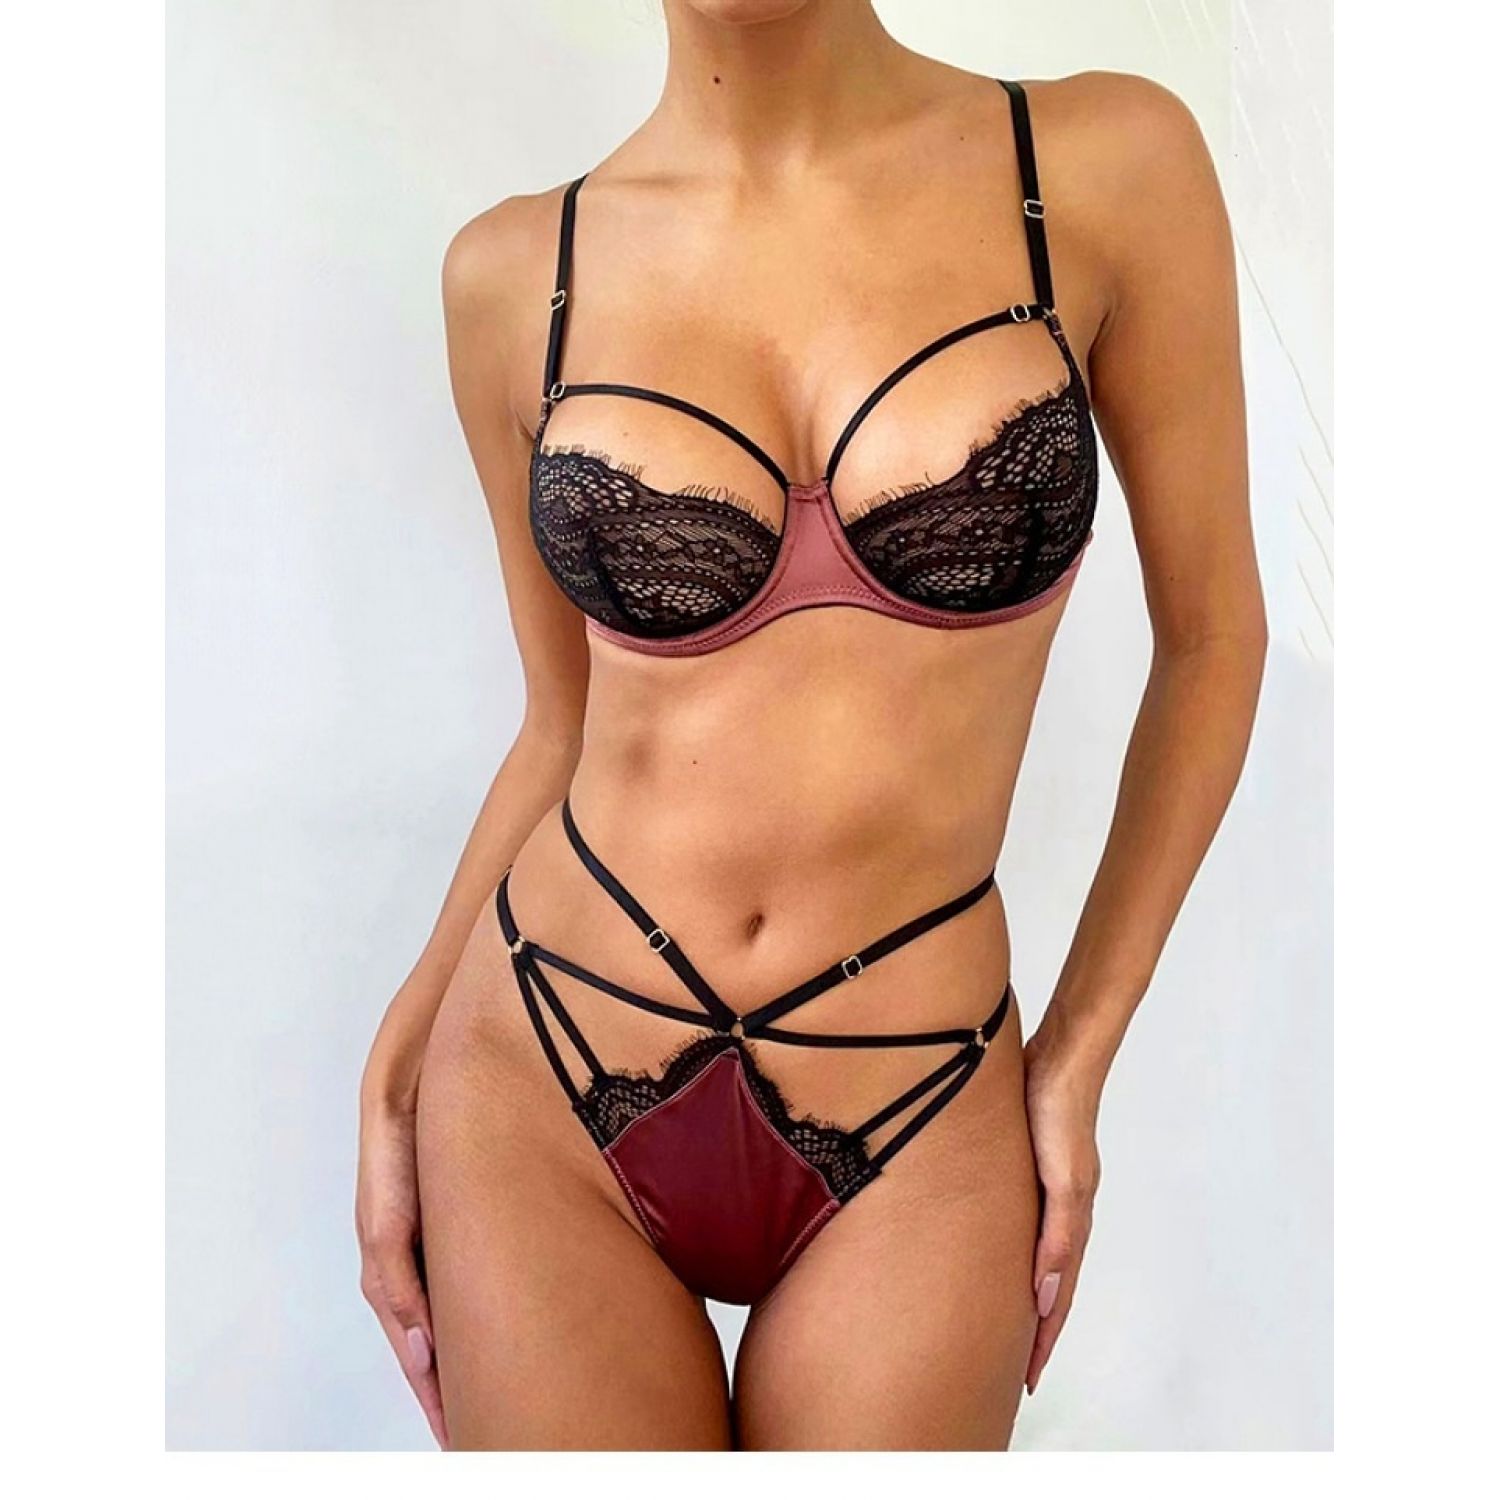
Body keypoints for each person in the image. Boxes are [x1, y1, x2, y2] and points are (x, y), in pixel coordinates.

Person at [356, 0, 1265, 1451]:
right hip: (544, 1061)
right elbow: (559, 725)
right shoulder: (515, 274)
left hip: (923, 1089)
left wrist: (1079, 1051)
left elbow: (1213, 640)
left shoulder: (1100, 164)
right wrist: (399, 1057)